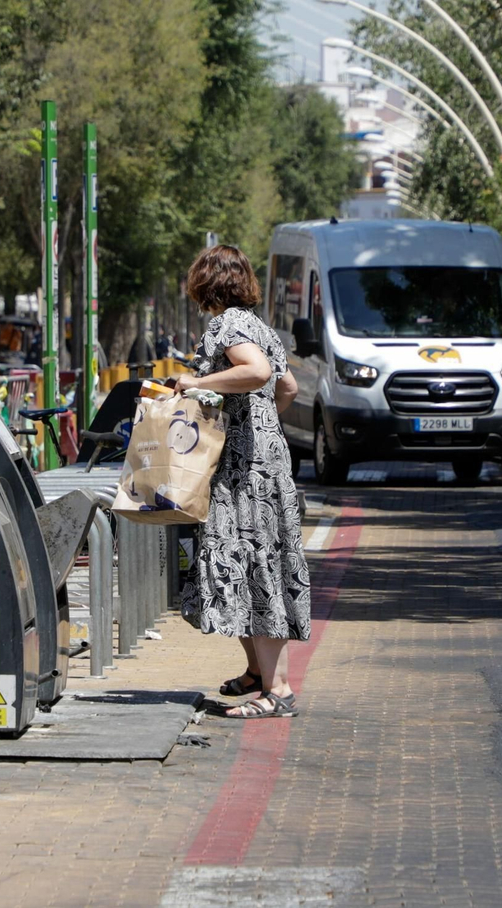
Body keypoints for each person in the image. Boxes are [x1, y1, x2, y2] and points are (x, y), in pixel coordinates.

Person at [174, 244, 308, 719]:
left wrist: (197, 384)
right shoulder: (257, 325)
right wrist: (264, 425)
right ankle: (257, 673)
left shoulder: (227, 324)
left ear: (205, 283)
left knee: (254, 567)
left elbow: (258, 371)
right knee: (251, 563)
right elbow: (286, 388)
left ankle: (279, 691)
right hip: (265, 463)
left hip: (243, 472)